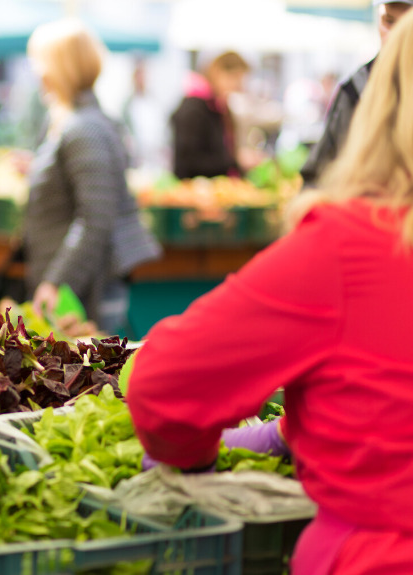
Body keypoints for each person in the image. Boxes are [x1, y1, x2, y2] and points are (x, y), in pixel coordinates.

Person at [126, 10, 413, 573]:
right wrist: (288, 431)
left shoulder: (351, 246)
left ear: (381, 105)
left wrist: (195, 454)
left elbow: (163, 385)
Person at [23, 19, 161, 335]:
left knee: (93, 377)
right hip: (76, 287)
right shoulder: (70, 122)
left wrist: (57, 281)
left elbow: (95, 219)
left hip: (87, 292)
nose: (37, 73)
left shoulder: (84, 129)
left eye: (39, 62)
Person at [300, 0, 412, 187]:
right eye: (389, 22)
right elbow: (318, 175)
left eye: (406, 25)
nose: (394, 37)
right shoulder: (354, 90)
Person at [170, 51, 251, 180]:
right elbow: (189, 161)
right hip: (194, 192)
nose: (239, 87)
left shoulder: (219, 106)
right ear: (218, 72)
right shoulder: (194, 108)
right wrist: (234, 162)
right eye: (235, 78)